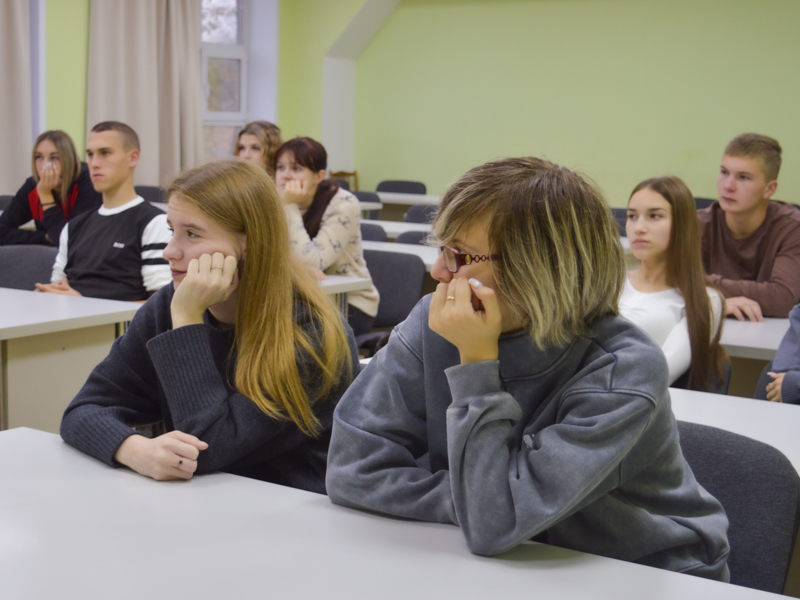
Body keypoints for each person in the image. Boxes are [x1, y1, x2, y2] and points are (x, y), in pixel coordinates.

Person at [326, 157, 730, 580]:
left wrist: (477, 365)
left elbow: (493, 526)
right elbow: (351, 469)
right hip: (516, 559)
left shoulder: (623, 368)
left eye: (459, 254)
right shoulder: (435, 320)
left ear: (538, 269)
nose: (438, 271)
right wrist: (485, 499)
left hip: (649, 572)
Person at [60, 159, 358, 492]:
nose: (170, 251)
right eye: (171, 230)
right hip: (202, 506)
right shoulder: (169, 305)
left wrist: (187, 322)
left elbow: (209, 447)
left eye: (192, 234)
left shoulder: (309, 331)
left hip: (295, 514)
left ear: (248, 244)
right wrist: (135, 449)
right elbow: (82, 409)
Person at [34, 121, 171, 301]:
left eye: (105, 153)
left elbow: (162, 308)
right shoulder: (73, 227)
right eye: (90, 155)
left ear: (132, 158)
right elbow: (57, 291)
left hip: (119, 328)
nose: (94, 163)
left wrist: (83, 304)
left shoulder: (155, 223)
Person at [620, 176, 727, 389]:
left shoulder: (705, 299)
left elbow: (661, 375)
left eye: (654, 216)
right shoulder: (611, 282)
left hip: (634, 406)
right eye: (632, 216)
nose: (638, 227)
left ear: (682, 224)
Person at [275, 137, 379, 336]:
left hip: (348, 303)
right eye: (280, 168)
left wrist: (288, 206)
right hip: (299, 297)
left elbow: (314, 260)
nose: (285, 176)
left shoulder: (343, 203)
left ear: (318, 176)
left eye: (296, 169)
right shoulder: (275, 200)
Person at [698, 133, 800, 320]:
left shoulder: (793, 229)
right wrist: (719, 302)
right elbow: (667, 283)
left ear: (769, 189)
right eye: (724, 172)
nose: (728, 186)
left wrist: (703, 287)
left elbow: (782, 298)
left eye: (743, 177)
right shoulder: (697, 224)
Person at [0, 130, 101, 246]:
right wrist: (44, 237)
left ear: (69, 160)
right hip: (49, 257)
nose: (45, 165)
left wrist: (45, 195)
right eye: (39, 157)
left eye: (54, 158)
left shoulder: (88, 182)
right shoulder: (32, 185)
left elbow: (70, 240)